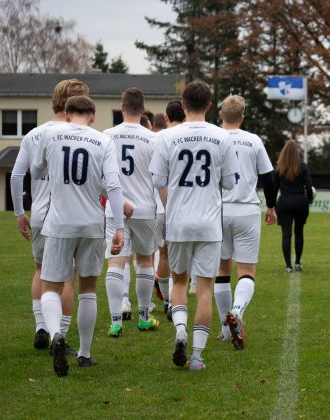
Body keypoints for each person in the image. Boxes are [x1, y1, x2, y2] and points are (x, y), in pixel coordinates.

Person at [31, 95, 125, 376]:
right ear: (93, 117)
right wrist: (118, 226)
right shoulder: (103, 141)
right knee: (87, 290)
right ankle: (84, 353)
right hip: (92, 225)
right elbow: (114, 187)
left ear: (67, 114)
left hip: (59, 224)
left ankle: (57, 334)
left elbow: (36, 170)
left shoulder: (50, 134)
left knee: (50, 287)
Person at [149, 81, 239, 371]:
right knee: (204, 289)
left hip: (178, 223)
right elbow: (229, 182)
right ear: (211, 106)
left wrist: (172, 202)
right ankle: (197, 357)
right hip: (209, 223)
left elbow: (158, 181)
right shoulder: (222, 137)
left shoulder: (166, 137)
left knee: (178, 281)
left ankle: (179, 331)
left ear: (183, 104)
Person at [10, 79, 86, 352]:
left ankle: (41, 326)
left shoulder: (34, 134)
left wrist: (20, 212)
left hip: (41, 214)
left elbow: (18, 175)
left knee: (41, 270)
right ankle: (60, 335)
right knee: (67, 276)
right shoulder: (84, 135)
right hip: (69, 215)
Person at [215, 94, 277, 350]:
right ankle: (237, 312)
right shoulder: (253, 140)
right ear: (242, 117)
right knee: (247, 272)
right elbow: (270, 178)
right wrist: (271, 206)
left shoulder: (213, 137)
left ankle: (224, 328)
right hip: (247, 211)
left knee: (221, 271)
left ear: (221, 115)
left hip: (218, 210)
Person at [101, 87, 160, 337]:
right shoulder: (153, 138)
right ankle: (144, 317)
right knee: (145, 260)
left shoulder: (106, 136)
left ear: (122, 107)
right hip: (145, 209)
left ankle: (116, 321)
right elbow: (159, 177)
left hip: (116, 209)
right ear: (143, 108)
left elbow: (100, 176)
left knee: (116, 262)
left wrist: (119, 199)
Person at [156, 99, 185, 320]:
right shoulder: (188, 137)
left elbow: (155, 177)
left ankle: (167, 300)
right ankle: (173, 301)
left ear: (166, 118)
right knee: (183, 258)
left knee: (162, 255)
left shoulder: (159, 137)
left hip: (157, 204)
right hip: (182, 206)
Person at [274, 140, 314, 273]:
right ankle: (297, 262)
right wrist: (308, 200)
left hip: (284, 203)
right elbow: (308, 186)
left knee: (286, 234)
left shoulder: (279, 168)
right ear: (297, 153)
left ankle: (288, 266)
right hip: (300, 203)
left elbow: (274, 189)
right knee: (299, 232)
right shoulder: (303, 167)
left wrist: (272, 206)